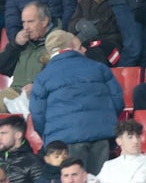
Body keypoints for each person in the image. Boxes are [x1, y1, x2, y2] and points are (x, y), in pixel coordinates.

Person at [30, 29, 125, 174]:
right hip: (101, 135)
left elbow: (37, 114)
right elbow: (118, 101)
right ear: (71, 45)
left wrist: (52, 135)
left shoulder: (43, 77)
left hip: (65, 141)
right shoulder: (99, 68)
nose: (85, 49)